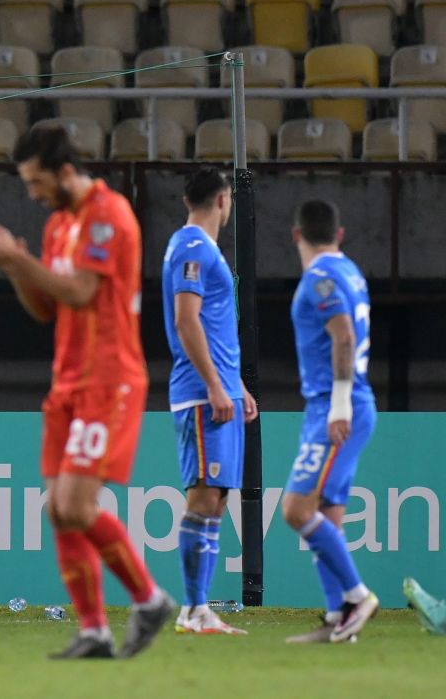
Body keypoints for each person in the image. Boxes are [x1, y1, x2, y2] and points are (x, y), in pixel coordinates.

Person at [0, 125, 174, 659]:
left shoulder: (109, 214)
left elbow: (81, 291)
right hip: (68, 381)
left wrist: (16, 257)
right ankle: (94, 630)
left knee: (75, 505)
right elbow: (47, 308)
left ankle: (150, 599)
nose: (31, 193)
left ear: (63, 172)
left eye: (36, 182)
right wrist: (16, 265)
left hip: (109, 378)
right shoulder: (58, 225)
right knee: (58, 510)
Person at [161, 168, 257, 635]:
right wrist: (218, 387)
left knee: (215, 500)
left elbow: (213, 326)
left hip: (218, 390)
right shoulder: (194, 247)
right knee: (202, 496)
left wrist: (235, 385)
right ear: (224, 199)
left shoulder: (199, 247)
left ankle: (199, 609)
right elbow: (186, 321)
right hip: (201, 394)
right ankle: (192, 609)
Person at [282, 200, 380, 644]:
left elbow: (343, 334)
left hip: (336, 407)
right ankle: (337, 618)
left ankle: (357, 598)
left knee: (297, 510)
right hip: (346, 403)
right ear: (339, 235)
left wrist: (338, 405)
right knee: (327, 517)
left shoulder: (320, 278)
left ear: (295, 234)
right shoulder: (352, 272)